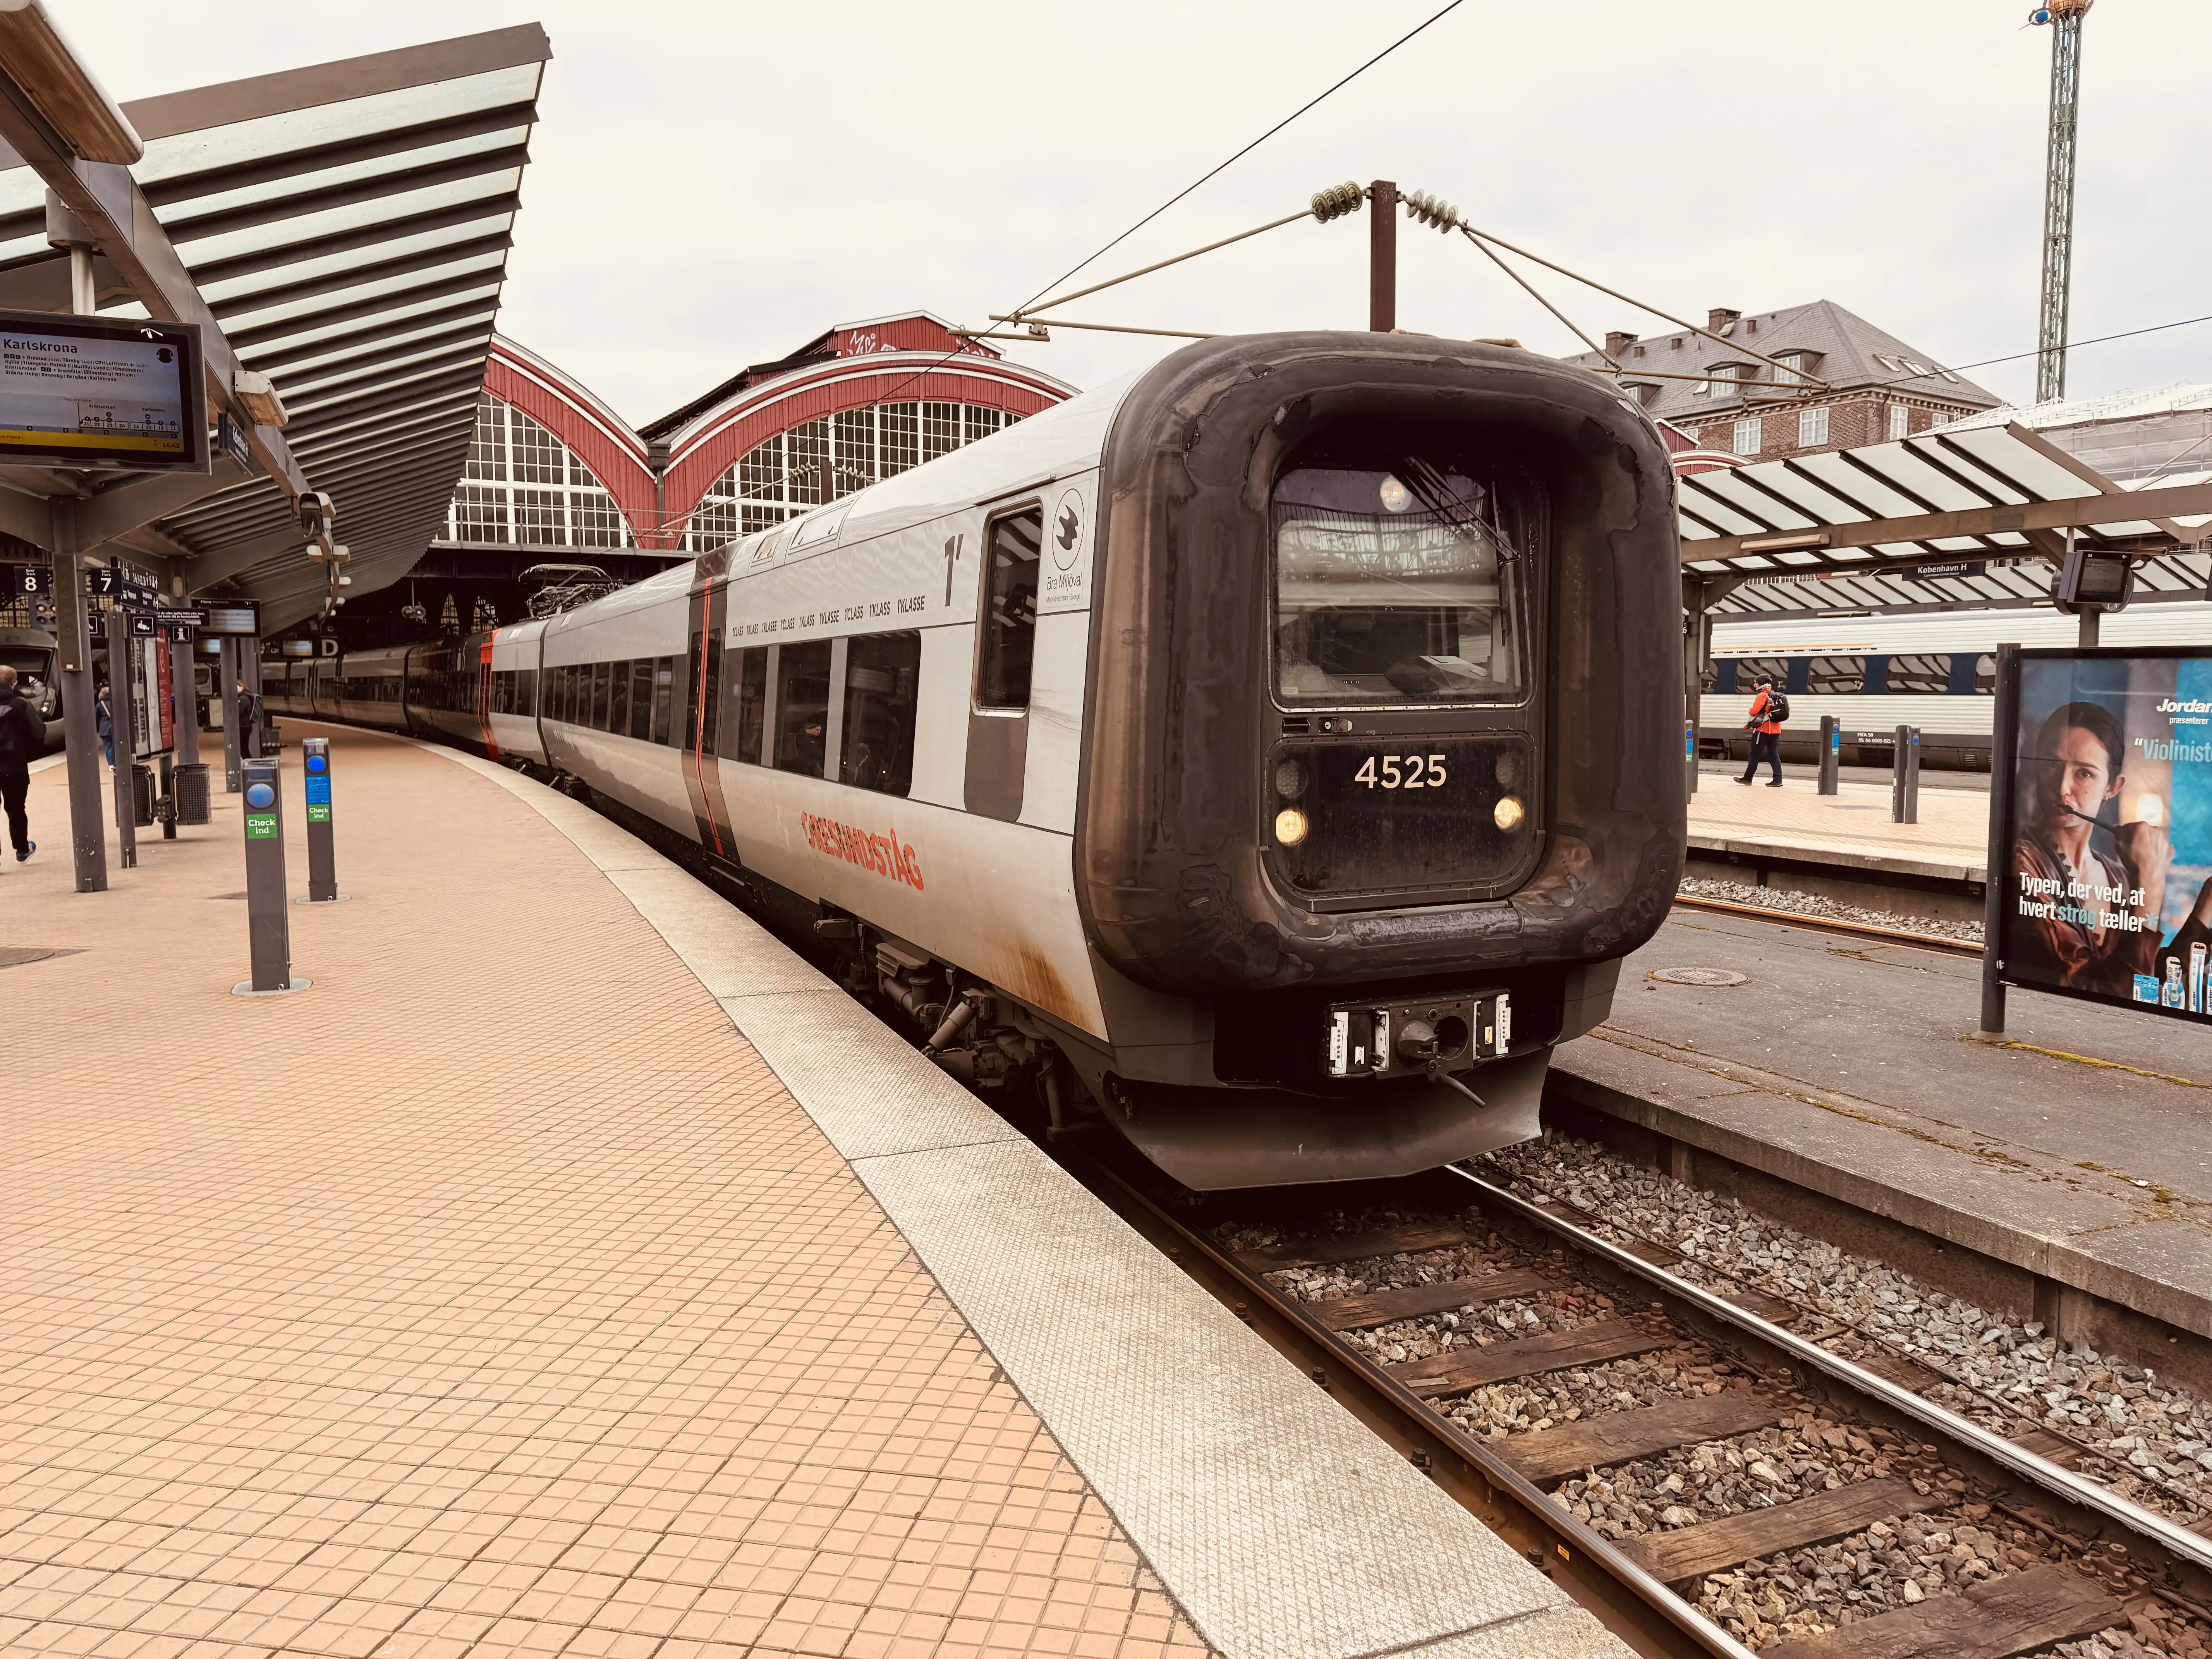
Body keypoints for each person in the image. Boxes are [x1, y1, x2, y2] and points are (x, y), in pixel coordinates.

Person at [2008, 700, 2192, 998]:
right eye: (2052, 766)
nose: (2063, 788)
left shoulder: (2117, 875)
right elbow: (2117, 989)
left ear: (2113, 788)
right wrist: (2152, 883)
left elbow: (2145, 973)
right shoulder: (2024, 862)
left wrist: (2204, 913)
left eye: (2085, 773)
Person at [0, 663, 43, 863]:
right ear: (14, 682)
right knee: (16, 809)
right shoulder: (20, 704)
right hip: (14, 767)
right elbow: (39, 731)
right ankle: (22, 849)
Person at [1734, 675, 1784, 787]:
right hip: (1776, 730)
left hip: (1763, 730)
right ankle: (1778, 780)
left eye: (1756, 683)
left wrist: (1750, 710)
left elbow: (1754, 711)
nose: (1754, 685)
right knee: (1774, 755)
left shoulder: (1763, 695)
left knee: (1754, 755)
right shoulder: (1775, 694)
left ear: (1761, 684)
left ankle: (1748, 779)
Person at [94, 677, 114, 767]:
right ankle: (117, 762)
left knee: (108, 747)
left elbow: (96, 717)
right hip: (115, 727)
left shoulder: (99, 705)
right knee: (115, 746)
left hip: (104, 729)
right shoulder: (114, 702)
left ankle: (111, 764)